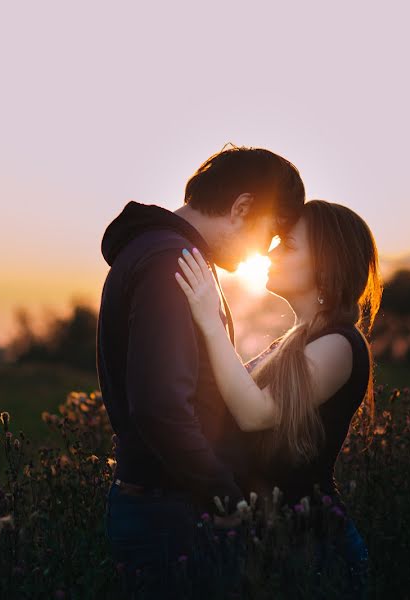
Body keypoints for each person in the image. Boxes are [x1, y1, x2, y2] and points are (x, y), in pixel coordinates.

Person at [96, 144, 305, 597]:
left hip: (166, 503)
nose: (262, 253)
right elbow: (160, 406)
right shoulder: (172, 259)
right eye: (268, 235)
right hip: (171, 511)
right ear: (242, 208)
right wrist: (222, 496)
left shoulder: (164, 252)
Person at [174, 199, 382, 599]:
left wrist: (209, 317)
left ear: (326, 262)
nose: (268, 252)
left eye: (286, 244)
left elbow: (255, 413)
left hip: (317, 550)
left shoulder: (340, 344)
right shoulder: (290, 345)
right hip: (277, 546)